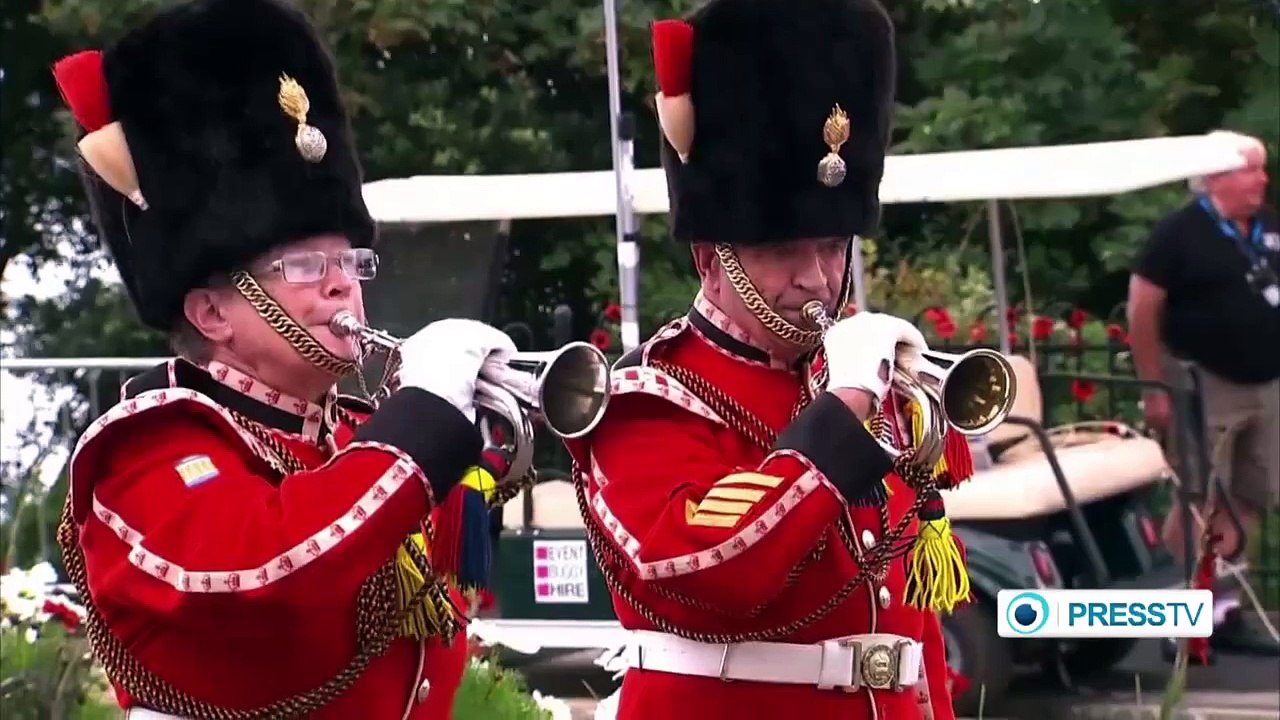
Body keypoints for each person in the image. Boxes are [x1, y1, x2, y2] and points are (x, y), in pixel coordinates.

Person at [51, 0, 515, 716]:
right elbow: (266, 570)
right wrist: (421, 419)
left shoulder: (354, 435)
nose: (341, 282)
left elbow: (438, 570)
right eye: (302, 265)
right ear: (212, 312)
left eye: (349, 259)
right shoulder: (146, 449)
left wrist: (493, 437)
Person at [563, 1, 973, 718]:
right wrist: (842, 415)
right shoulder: (647, 393)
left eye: (832, 246)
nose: (816, 278)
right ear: (709, 258)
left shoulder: (870, 386)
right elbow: (709, 571)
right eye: (784, 251)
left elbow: (912, 620)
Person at [1128, 130, 1279, 656]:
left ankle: (1226, 609)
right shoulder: (1180, 232)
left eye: (1262, 169)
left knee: (1250, 497)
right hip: (1201, 380)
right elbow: (1142, 307)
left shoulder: (1269, 226)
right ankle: (1184, 613)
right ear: (1216, 176)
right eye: (1251, 169)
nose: (1262, 178)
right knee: (1202, 498)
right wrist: (1155, 387)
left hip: (1266, 384)